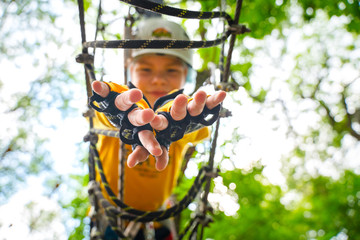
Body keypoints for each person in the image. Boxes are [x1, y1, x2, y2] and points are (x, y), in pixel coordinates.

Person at [90, 17, 226, 239]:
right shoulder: (117, 106)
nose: (158, 80)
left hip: (160, 220)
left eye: (171, 71)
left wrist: (175, 117)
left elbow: (193, 122)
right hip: (109, 218)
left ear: (186, 76)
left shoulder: (181, 118)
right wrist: (116, 106)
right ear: (130, 71)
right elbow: (105, 113)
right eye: (145, 69)